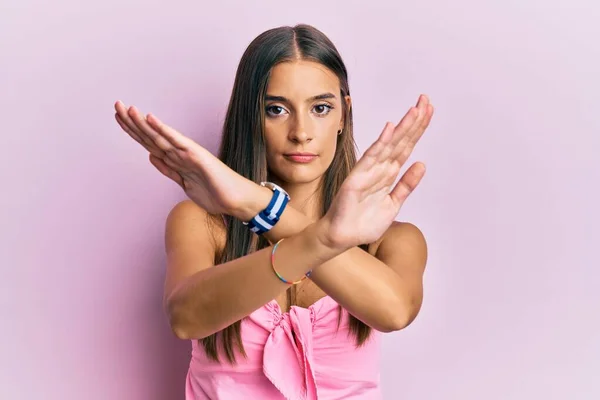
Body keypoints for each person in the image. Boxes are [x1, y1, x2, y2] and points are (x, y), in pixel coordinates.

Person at [114, 23, 433, 400]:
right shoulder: (200, 224)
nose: (301, 131)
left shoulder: (394, 241)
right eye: (277, 109)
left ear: (343, 115)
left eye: (320, 108)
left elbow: (394, 311)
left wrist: (260, 206)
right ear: (251, 116)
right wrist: (321, 238)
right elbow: (186, 318)